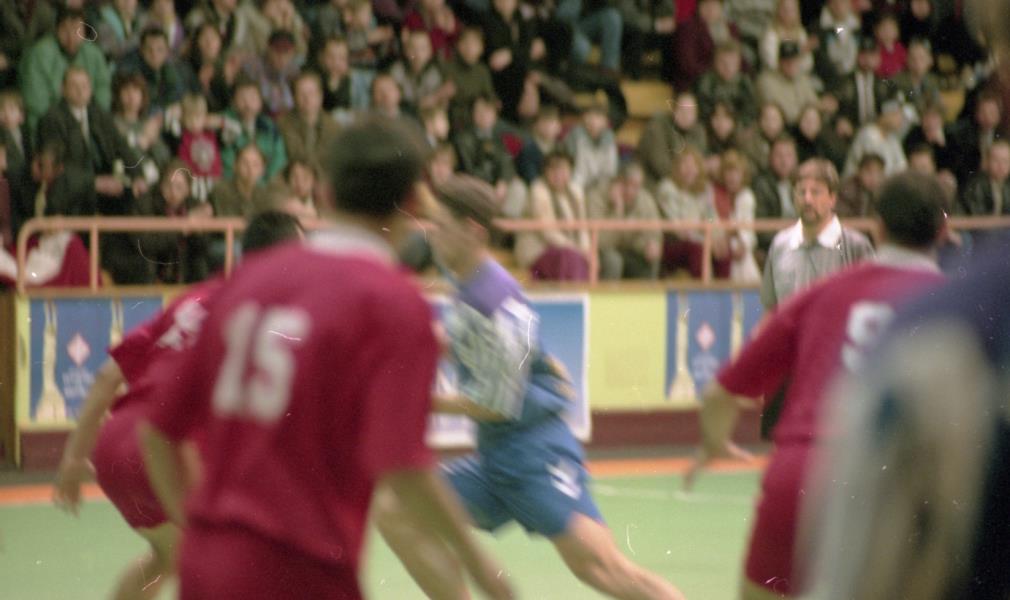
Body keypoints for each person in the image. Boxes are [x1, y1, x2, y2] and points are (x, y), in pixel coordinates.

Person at [138, 118, 512, 600]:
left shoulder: (246, 280)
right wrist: (482, 569)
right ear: (414, 204)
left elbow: (157, 433)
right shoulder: (396, 304)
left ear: (325, 194)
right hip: (307, 571)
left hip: (208, 571)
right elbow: (403, 466)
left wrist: (196, 533)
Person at [374, 174, 685, 600]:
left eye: (442, 225)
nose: (432, 234)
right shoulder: (466, 277)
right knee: (394, 508)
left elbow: (496, 404)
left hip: (536, 456)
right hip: (495, 461)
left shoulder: (494, 300)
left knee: (605, 570)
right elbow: (463, 341)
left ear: (473, 232)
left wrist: (418, 400)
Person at [686, 172, 950, 599]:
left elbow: (721, 392)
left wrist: (714, 442)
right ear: (944, 230)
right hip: (896, 484)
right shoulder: (964, 303)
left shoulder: (823, 294)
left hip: (802, 477)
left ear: (878, 227)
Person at [52, 210, 305, 600]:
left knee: (167, 558)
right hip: (165, 452)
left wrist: (72, 459)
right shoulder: (268, 315)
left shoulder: (193, 299)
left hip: (113, 449)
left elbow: (105, 378)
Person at [762, 158, 875, 310]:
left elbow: (871, 307)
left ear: (832, 198)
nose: (807, 199)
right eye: (801, 192)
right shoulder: (780, 245)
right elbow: (771, 310)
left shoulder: (855, 246)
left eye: (815, 192)